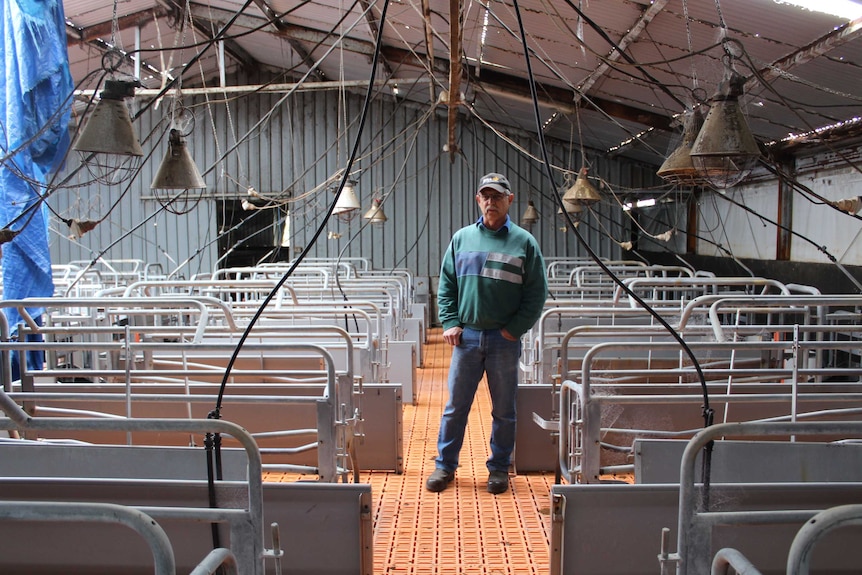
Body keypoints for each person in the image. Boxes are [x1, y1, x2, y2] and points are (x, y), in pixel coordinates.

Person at [426, 172, 548, 494]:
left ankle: (499, 469)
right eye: (485, 196)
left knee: (504, 410)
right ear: (478, 200)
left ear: (510, 200)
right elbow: (447, 285)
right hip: (467, 338)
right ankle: (445, 466)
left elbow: (536, 293)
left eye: (497, 196)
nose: (491, 201)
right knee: (456, 407)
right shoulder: (462, 238)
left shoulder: (525, 242)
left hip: (502, 341)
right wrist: (450, 321)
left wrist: (514, 330)